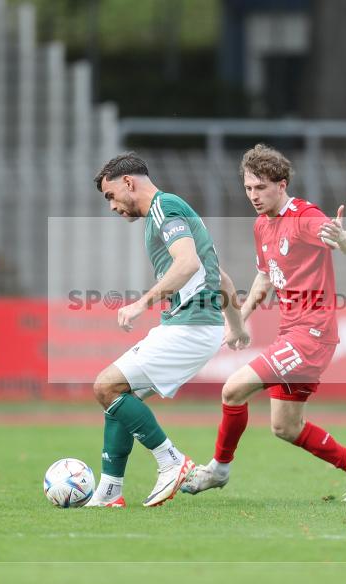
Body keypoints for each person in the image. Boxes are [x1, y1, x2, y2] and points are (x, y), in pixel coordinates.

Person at [181, 144, 346, 502]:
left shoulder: (303, 216)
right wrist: (239, 323)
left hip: (311, 335)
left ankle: (218, 469)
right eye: (248, 188)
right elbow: (265, 278)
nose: (253, 196)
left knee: (232, 389)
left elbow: (345, 242)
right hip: (292, 333)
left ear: (281, 184)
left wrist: (342, 236)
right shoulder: (262, 226)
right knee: (285, 427)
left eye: (260, 188)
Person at [87, 152, 249, 508]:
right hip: (194, 326)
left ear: (128, 182)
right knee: (118, 400)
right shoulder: (166, 213)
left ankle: (171, 461)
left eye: (110, 195)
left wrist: (141, 302)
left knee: (106, 386)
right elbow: (217, 274)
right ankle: (109, 492)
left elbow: (189, 263)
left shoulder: (164, 207)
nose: (112, 207)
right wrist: (236, 325)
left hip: (189, 327)